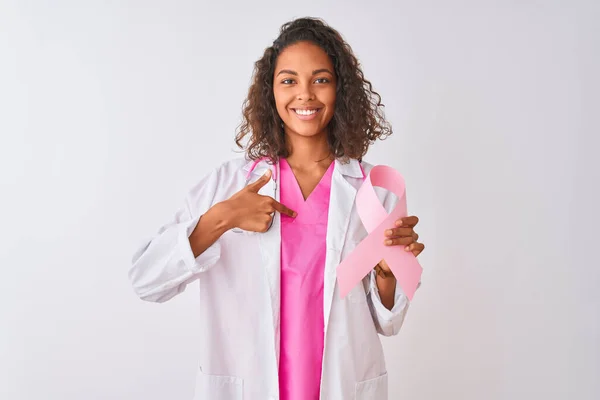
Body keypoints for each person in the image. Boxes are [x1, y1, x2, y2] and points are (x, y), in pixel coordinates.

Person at [129, 17, 425, 400]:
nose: (305, 95)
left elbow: (389, 322)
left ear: (341, 90)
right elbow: (146, 281)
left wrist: (387, 275)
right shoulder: (229, 185)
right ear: (271, 92)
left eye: (321, 79)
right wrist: (223, 218)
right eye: (289, 80)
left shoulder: (373, 192)